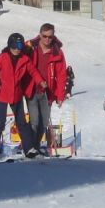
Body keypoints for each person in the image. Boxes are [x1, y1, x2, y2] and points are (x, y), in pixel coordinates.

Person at [0, 33, 38, 159]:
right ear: (9, 45)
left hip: (16, 95)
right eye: (14, 46)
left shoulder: (24, 59)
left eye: (20, 46)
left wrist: (40, 82)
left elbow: (33, 71)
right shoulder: (2, 57)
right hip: (2, 94)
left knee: (22, 123)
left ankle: (29, 149)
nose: (17, 49)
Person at [26, 23, 68, 153]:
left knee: (43, 123)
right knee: (34, 121)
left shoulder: (57, 52)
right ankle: (29, 147)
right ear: (40, 35)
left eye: (50, 36)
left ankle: (36, 146)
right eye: (44, 36)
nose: (47, 39)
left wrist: (60, 95)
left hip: (47, 92)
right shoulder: (30, 47)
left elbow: (62, 75)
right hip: (31, 88)